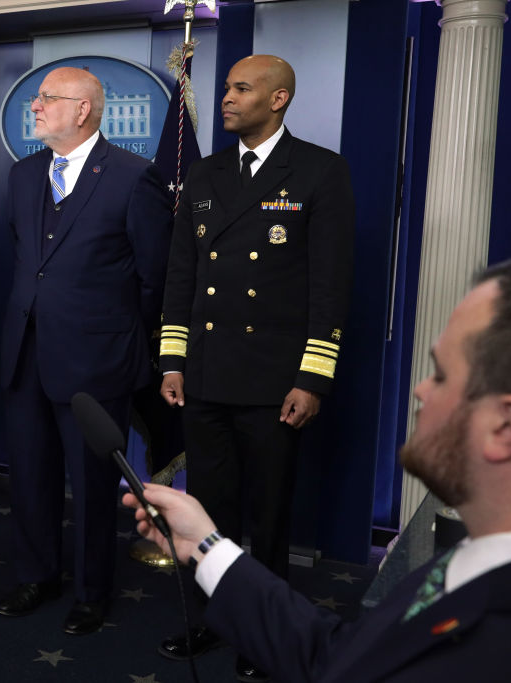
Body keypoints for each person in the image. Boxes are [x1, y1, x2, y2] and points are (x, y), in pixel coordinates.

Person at [128, 256, 511, 682]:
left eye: (440, 375)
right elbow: (336, 659)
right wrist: (205, 544)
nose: (421, 389)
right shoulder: (478, 558)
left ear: (506, 426)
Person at [156, 54, 355, 678]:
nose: (227, 97)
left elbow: (330, 289)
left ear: (279, 99)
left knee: (267, 516)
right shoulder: (206, 174)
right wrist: (172, 360)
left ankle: (262, 634)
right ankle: (208, 619)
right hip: (208, 374)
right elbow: (181, 276)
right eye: (227, 88)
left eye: (242, 88)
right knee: (209, 511)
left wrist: (313, 377)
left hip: (275, 383)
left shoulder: (319, 172)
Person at [0, 66, 172, 635]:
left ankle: (92, 592)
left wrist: (114, 336)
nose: (36, 107)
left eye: (48, 98)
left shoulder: (133, 176)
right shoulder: (23, 175)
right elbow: (27, 261)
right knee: (29, 475)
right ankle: (36, 575)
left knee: (93, 486)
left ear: (84, 110)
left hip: (97, 361)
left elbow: (154, 278)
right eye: (36, 98)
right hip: (25, 352)